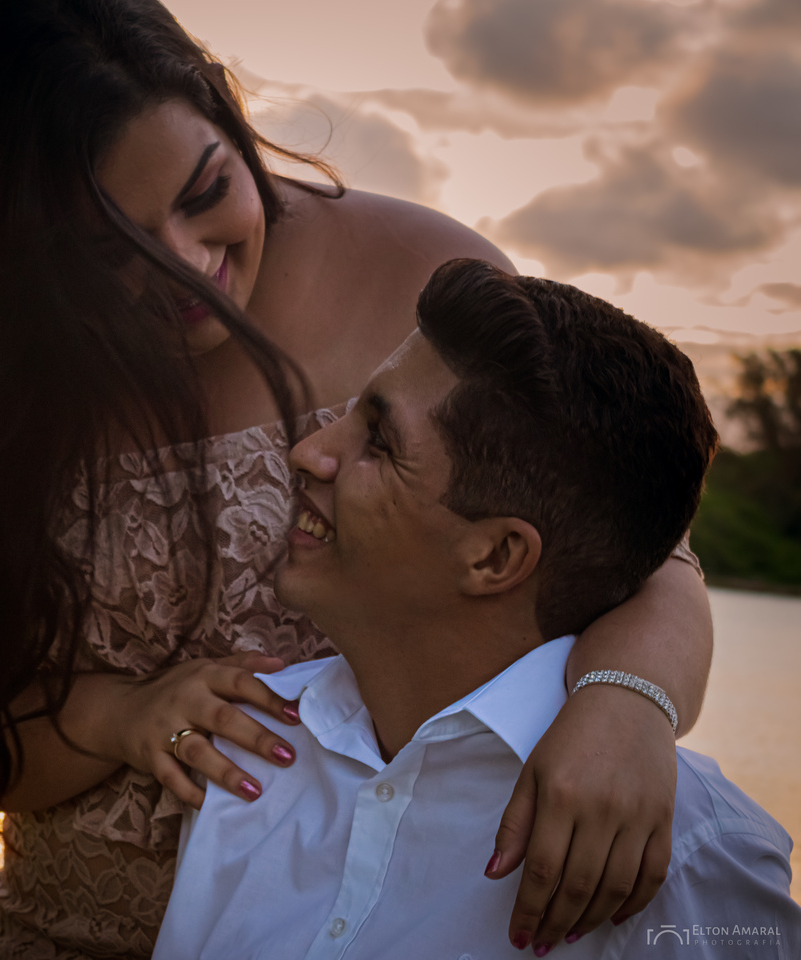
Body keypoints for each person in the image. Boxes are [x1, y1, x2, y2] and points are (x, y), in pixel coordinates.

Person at [0, 1, 715, 957]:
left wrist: (626, 702)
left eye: (207, 193)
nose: (190, 273)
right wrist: (114, 717)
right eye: (105, 251)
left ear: (230, 124)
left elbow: (636, 547)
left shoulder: (415, 271)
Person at [154, 259, 799, 959]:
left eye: (378, 442)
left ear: (494, 558)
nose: (308, 453)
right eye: (348, 413)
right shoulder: (242, 743)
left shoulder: (693, 857)